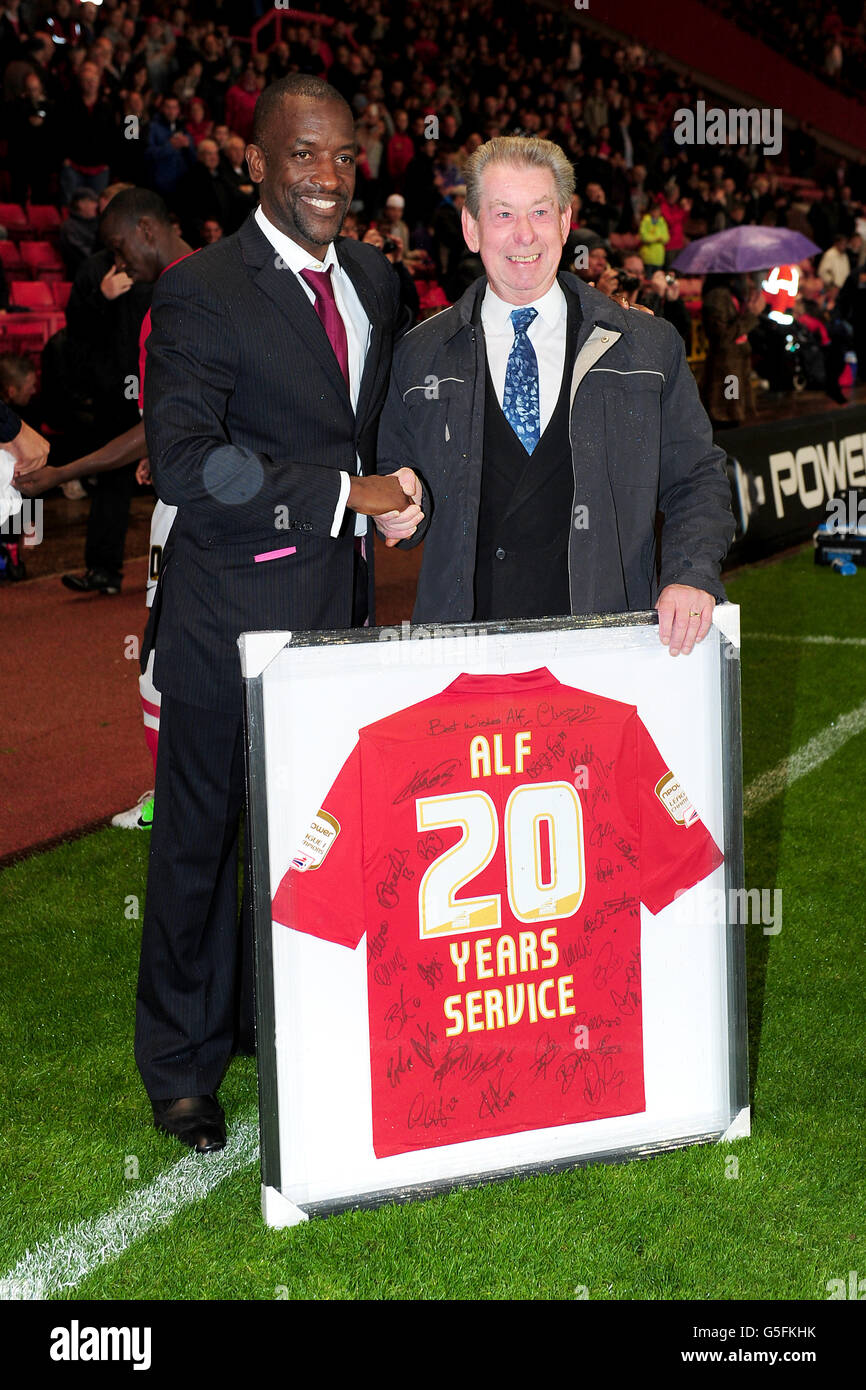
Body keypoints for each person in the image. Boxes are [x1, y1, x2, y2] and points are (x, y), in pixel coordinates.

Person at [136, 74, 421, 1155]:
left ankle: (264, 1016)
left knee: (309, 832)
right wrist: (345, 497)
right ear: (253, 160)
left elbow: (373, 432)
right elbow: (183, 461)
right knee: (200, 842)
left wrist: (404, 491)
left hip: (335, 613)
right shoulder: (201, 288)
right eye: (302, 154)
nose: (326, 177)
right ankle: (180, 1062)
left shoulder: (375, 280)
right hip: (226, 617)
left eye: (343, 156)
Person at [376, 136, 734, 659]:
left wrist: (690, 572)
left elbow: (699, 478)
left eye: (540, 212)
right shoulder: (418, 355)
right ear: (471, 228)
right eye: (502, 214)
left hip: (606, 647)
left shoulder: (648, 346)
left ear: (565, 222)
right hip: (466, 655)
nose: (523, 234)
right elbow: (399, 485)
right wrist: (398, 509)